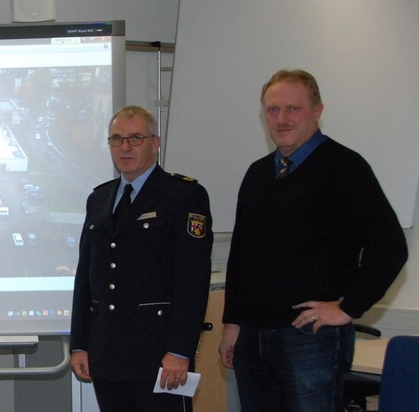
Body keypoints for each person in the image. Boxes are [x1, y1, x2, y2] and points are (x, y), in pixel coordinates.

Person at [218, 69, 408, 411]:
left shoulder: (346, 168)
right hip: (252, 337)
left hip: (310, 338)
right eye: (273, 110)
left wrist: (348, 307)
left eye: (293, 109)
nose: (281, 119)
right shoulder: (258, 173)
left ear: (317, 111)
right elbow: (242, 255)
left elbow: (391, 247)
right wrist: (232, 323)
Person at [69, 106, 213, 412]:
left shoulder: (184, 196)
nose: (125, 147)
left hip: (159, 356)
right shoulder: (99, 198)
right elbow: (86, 277)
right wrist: (79, 343)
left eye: (136, 138)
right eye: (116, 139)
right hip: (106, 354)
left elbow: (193, 279)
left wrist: (180, 350)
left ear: (155, 143)